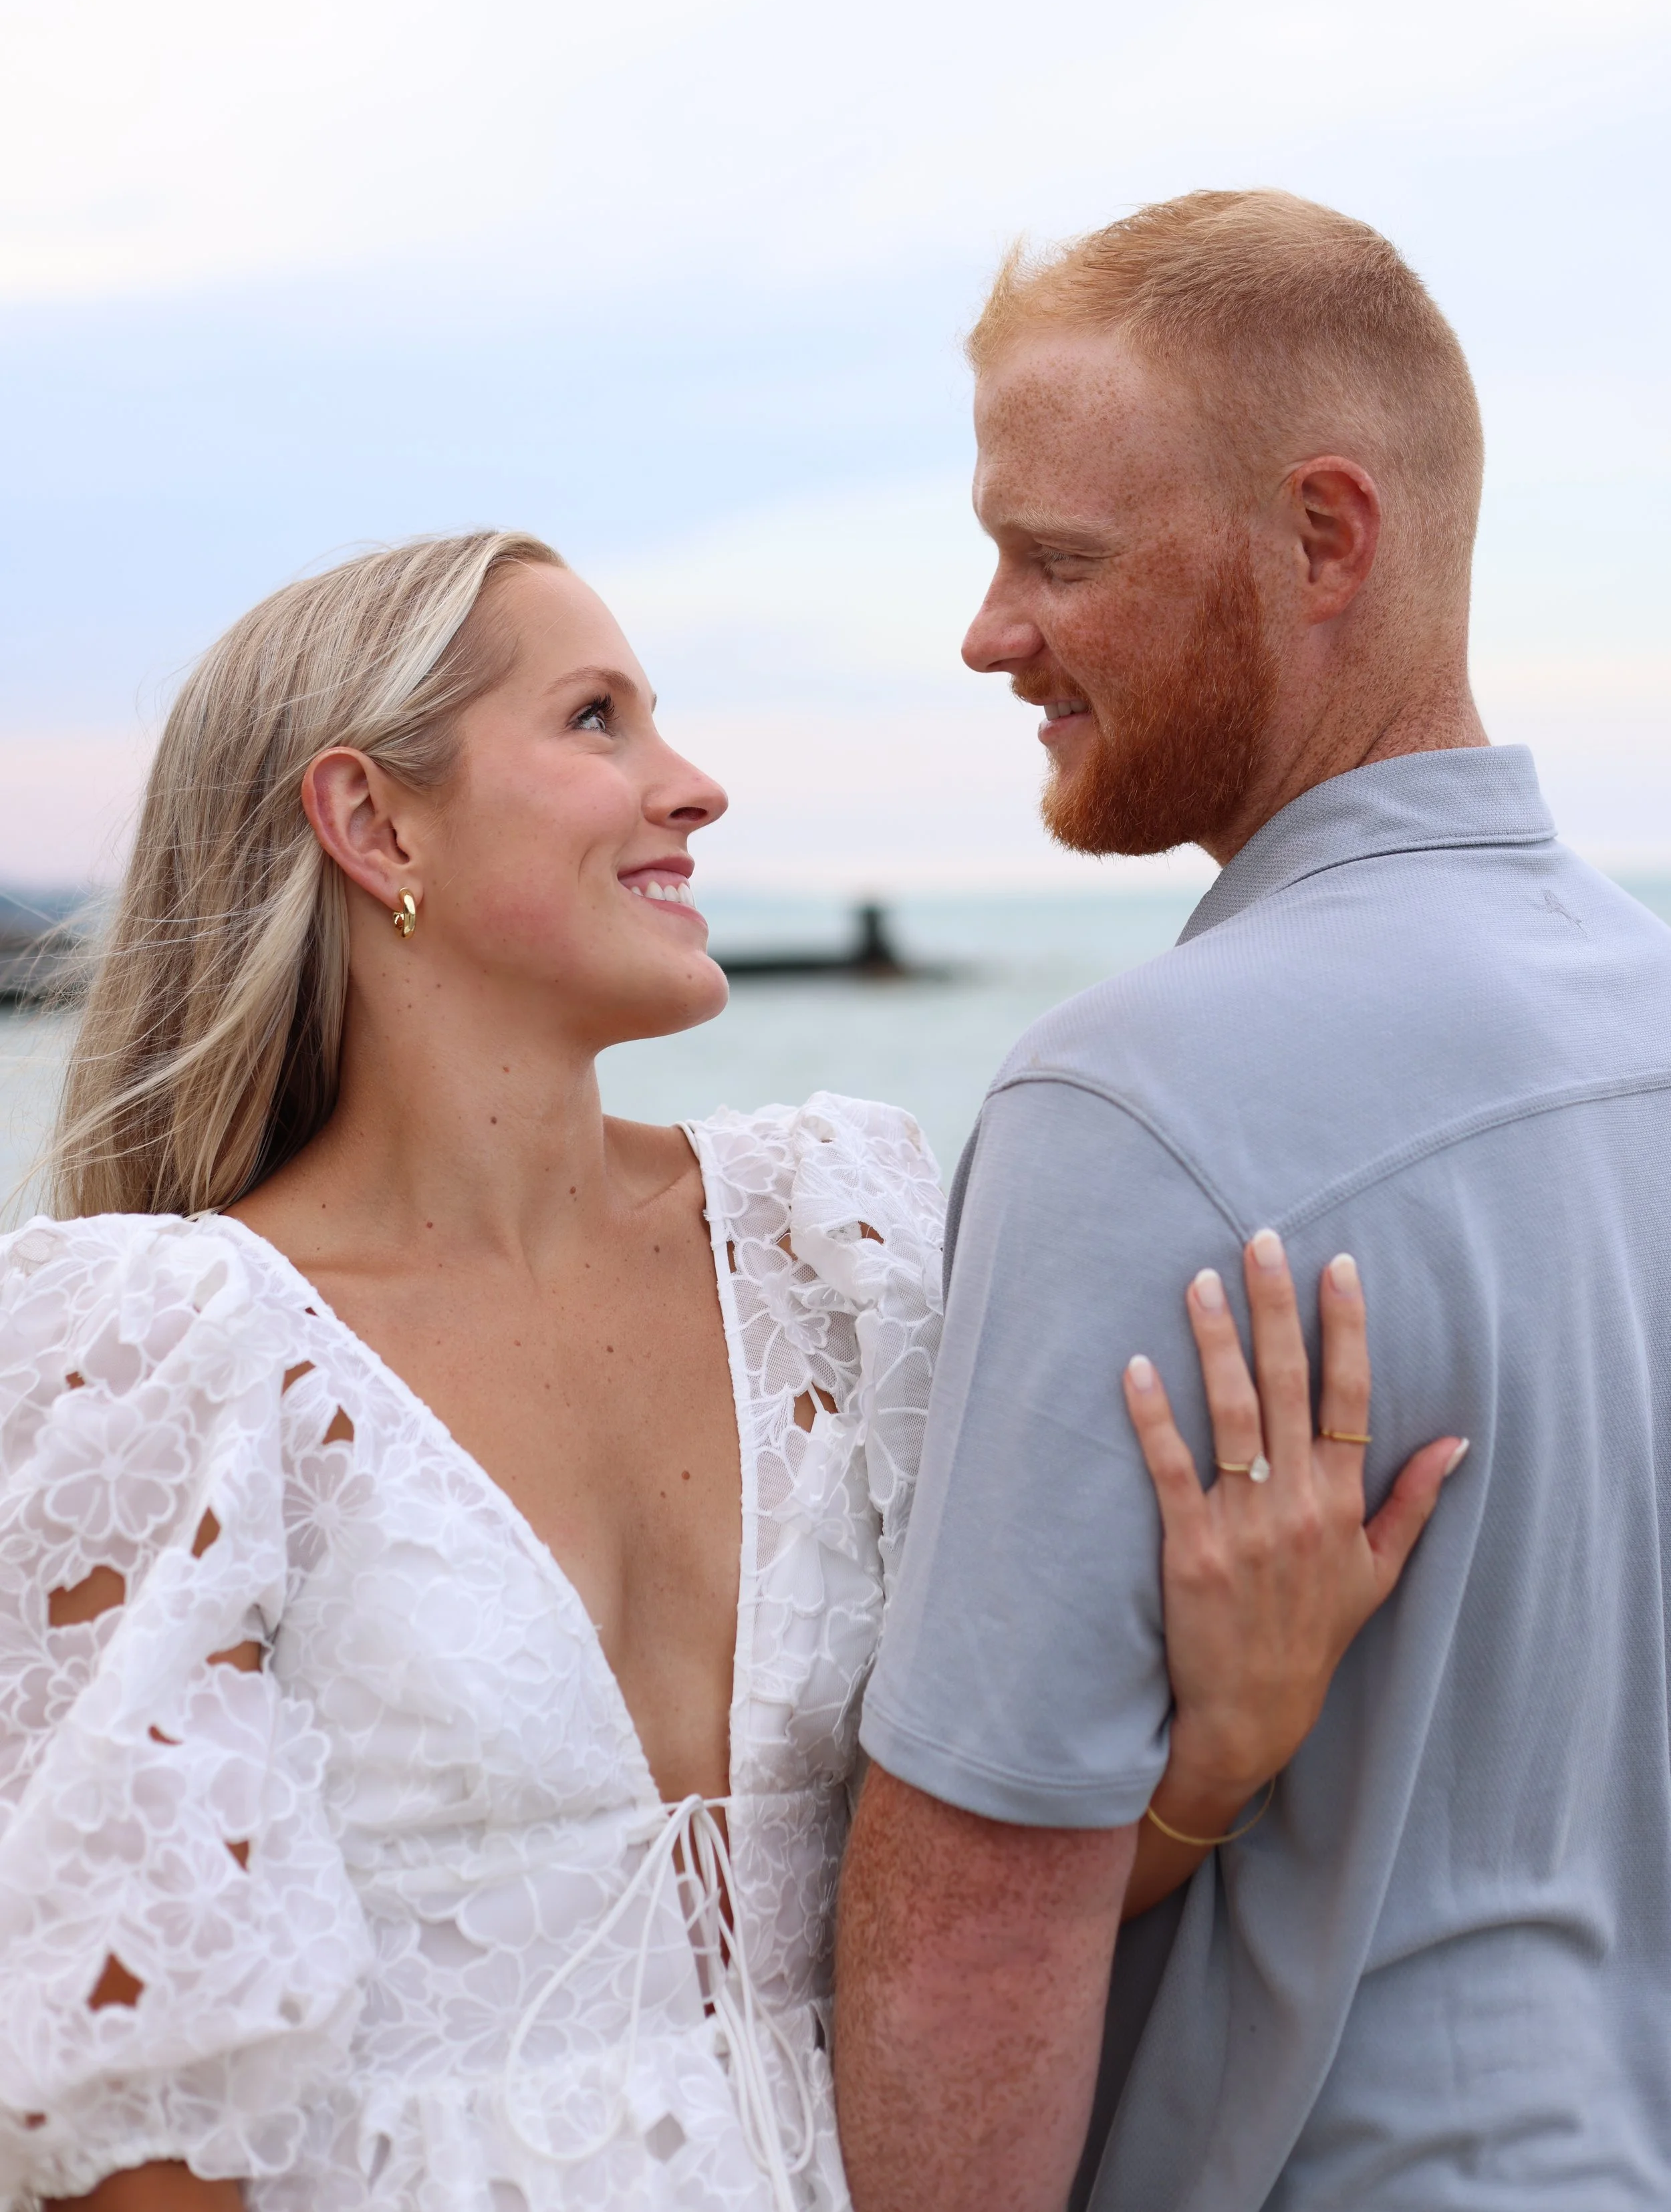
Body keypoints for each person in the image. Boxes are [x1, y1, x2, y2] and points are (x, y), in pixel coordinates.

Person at [0, 529, 1456, 2212]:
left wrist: (1220, 1744)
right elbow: (139, 2108)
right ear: (374, 821)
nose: (691, 788)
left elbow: (944, 1930)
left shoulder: (825, 1239)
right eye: (596, 719)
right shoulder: (156, 1342)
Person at [836, 190, 1671, 2211]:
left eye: (1056, 559)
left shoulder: (1133, 1099)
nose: (988, 632)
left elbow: (972, 1938)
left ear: (1322, 537)